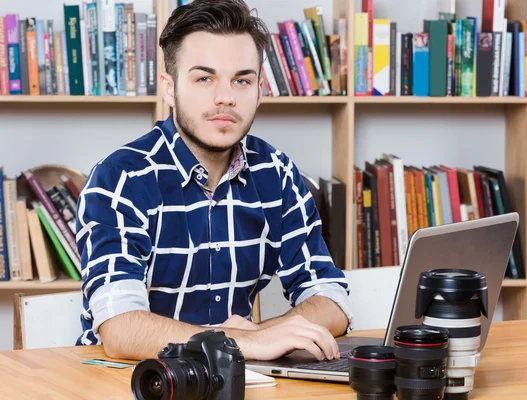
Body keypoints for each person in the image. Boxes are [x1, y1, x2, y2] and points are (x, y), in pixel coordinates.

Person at [74, 0, 352, 363]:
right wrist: (240, 341)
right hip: (127, 381)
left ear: (259, 90)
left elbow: (331, 298)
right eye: (204, 78)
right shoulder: (121, 178)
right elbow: (121, 329)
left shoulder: (277, 173)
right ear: (170, 89)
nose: (226, 97)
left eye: (242, 80)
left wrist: (267, 334)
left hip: (232, 379)